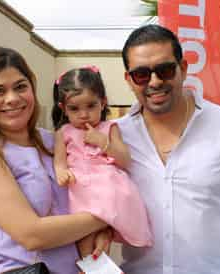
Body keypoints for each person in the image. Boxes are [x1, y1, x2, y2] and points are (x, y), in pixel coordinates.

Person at [115, 24, 220, 274]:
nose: (155, 82)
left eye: (165, 70)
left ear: (183, 68)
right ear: (129, 79)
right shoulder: (115, 137)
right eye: (142, 75)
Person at [0, 47, 110, 274]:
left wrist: (104, 233)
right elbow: (32, 234)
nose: (12, 99)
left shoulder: (55, 142)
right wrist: (109, 216)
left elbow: (94, 191)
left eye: (20, 87)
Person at [51, 65, 153, 258]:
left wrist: (104, 143)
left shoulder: (110, 127)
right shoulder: (63, 132)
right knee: (83, 238)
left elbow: (125, 159)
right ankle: (96, 265)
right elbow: (59, 160)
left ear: (103, 102)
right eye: (74, 108)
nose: (83, 114)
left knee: (96, 236)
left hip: (107, 186)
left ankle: (98, 262)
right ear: (63, 108)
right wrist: (61, 172)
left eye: (91, 106)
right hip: (78, 187)